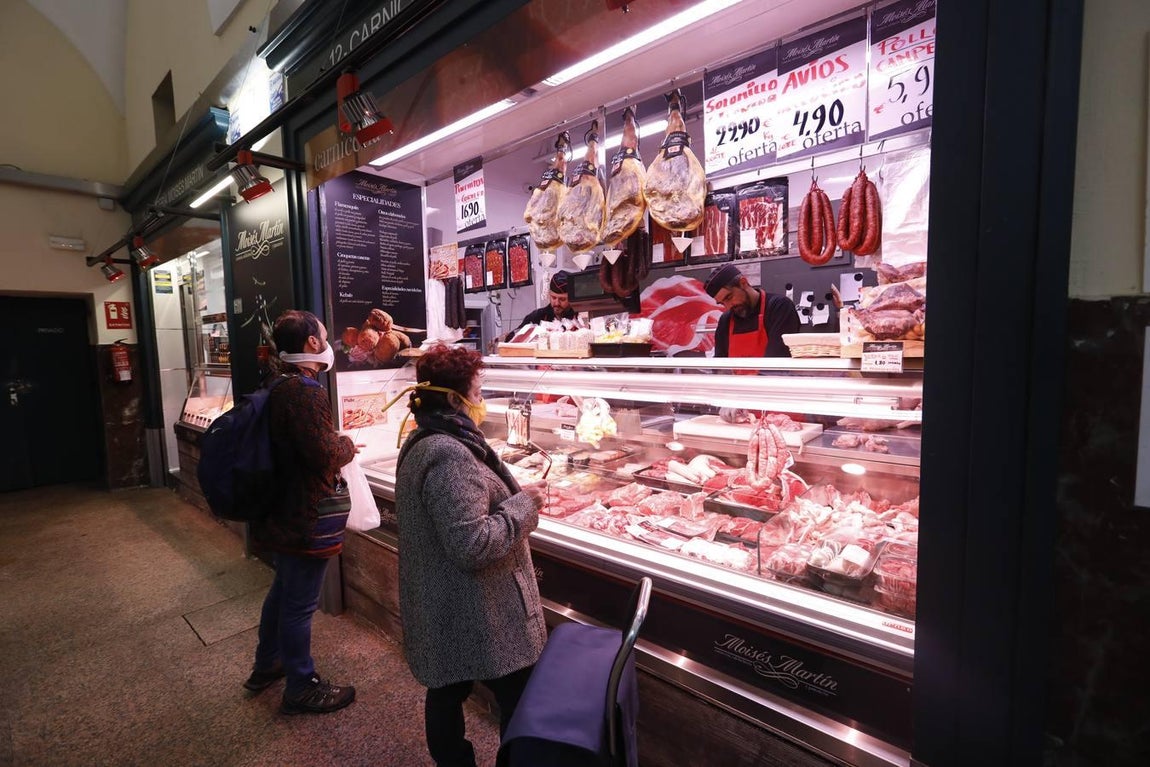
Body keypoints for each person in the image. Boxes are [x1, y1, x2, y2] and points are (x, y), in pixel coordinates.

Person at [394, 344, 549, 767]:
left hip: (449, 600)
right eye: (477, 393)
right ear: (453, 399)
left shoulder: (426, 438)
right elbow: (472, 543)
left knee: (446, 688)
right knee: (516, 695)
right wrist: (524, 505)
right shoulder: (450, 454)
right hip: (479, 610)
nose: (481, 402)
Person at [245, 309, 358, 715]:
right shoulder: (306, 391)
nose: (327, 341)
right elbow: (324, 454)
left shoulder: (277, 382)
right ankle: (300, 685)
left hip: (281, 509)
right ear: (312, 341)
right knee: (299, 605)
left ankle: (268, 663)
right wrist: (346, 444)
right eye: (323, 335)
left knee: (282, 592)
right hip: (304, 514)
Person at [704, 263, 800, 358]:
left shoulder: (779, 307)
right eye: (722, 303)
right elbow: (720, 364)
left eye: (729, 297)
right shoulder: (726, 320)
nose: (728, 307)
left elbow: (777, 361)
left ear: (743, 283)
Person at [505, 270, 575, 339]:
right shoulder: (537, 316)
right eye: (553, 298)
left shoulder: (578, 316)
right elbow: (513, 338)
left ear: (571, 298)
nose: (556, 303)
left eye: (562, 299)